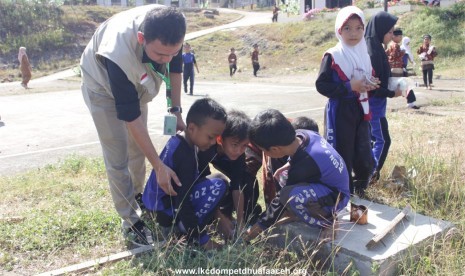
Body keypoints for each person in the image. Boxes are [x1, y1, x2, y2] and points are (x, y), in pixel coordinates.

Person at [80, 5, 186, 246]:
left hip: (136, 83)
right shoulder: (117, 54)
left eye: (173, 52)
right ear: (141, 38)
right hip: (102, 86)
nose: (167, 59)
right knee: (118, 154)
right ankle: (130, 221)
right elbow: (130, 117)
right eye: (160, 55)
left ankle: (136, 196)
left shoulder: (171, 28)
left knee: (137, 150)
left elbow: (176, 67)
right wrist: (159, 166)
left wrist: (176, 110)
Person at [243, 109, 350, 242]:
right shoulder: (302, 134)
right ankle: (295, 213)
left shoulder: (305, 164)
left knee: (292, 196)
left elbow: (281, 200)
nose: (264, 153)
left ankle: (328, 220)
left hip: (337, 197)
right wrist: (288, 164)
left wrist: (255, 230)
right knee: (283, 175)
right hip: (325, 183)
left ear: (275, 149)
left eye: (264, 150)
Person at [143, 98, 228, 250]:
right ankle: (185, 230)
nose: (214, 142)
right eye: (211, 137)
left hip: (155, 206)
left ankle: (186, 225)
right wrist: (201, 238)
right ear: (192, 128)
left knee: (214, 180)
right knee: (219, 184)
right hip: (164, 211)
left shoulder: (181, 140)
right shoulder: (185, 156)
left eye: (217, 138)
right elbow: (181, 201)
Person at [315, 6, 377, 196]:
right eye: (347, 28)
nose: (354, 33)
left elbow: (366, 79)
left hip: (360, 108)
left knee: (363, 148)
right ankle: (343, 192)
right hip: (340, 110)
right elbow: (322, 85)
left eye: (359, 28)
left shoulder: (364, 54)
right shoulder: (333, 55)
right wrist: (349, 87)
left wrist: (370, 85)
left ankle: (361, 189)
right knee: (343, 151)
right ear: (339, 30)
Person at [198, 110, 260, 235]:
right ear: (220, 139)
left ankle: (247, 213)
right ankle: (215, 217)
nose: (239, 151)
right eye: (235, 144)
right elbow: (202, 181)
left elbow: (237, 186)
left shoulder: (239, 155)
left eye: (244, 146)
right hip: (195, 182)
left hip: (229, 168)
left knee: (248, 182)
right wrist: (218, 216)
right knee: (218, 183)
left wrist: (241, 220)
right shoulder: (206, 147)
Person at [365, 11, 403, 183]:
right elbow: (374, 87)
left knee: (373, 140)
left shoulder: (375, 46)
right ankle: (370, 176)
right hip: (373, 106)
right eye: (389, 32)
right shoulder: (372, 51)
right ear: (380, 30)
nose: (391, 35)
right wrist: (392, 93)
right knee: (382, 141)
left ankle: (367, 174)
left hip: (375, 106)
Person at [386, 28, 420, 109]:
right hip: (396, 70)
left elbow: (386, 54)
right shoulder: (395, 45)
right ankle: (410, 103)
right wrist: (403, 52)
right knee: (406, 86)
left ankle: (410, 102)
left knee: (402, 87)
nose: (401, 39)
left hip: (394, 70)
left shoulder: (390, 45)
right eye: (400, 37)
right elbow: (395, 55)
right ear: (395, 36)